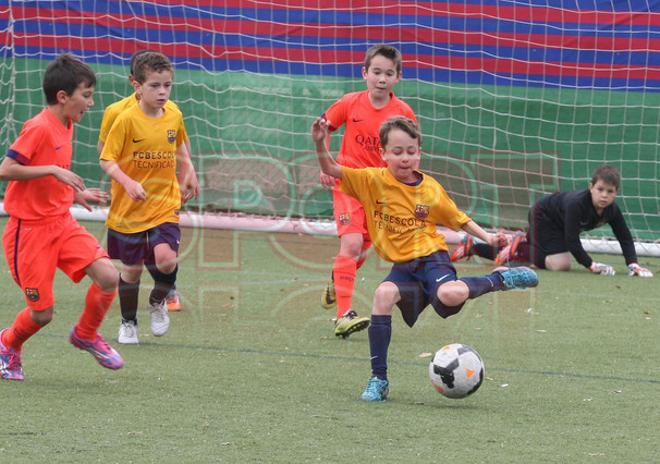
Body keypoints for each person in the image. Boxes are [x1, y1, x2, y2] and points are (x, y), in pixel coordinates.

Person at [311, 115, 539, 401]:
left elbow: (460, 220)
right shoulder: (370, 180)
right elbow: (331, 168)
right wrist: (320, 142)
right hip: (403, 269)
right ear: (383, 154)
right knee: (382, 295)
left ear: (419, 153)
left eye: (411, 151)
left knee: (449, 294)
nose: (405, 158)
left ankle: (501, 279)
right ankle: (378, 380)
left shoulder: (429, 189)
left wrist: (489, 238)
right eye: (397, 152)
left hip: (433, 260)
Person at [0, 54, 124, 381]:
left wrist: (75, 194)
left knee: (109, 277)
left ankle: (85, 334)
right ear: (63, 97)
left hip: (62, 223)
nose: (91, 102)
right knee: (42, 314)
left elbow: (51, 181)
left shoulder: (67, 124)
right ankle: (8, 344)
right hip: (29, 233)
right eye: (87, 94)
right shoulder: (39, 127)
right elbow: (7, 169)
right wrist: (54, 170)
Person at [317, 44, 417, 338]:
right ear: (365, 74)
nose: (381, 78)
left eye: (388, 73)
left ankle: (338, 279)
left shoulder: (403, 113)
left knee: (361, 250)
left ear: (398, 77)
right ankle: (343, 315)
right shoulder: (350, 102)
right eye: (376, 72)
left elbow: (408, 151)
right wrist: (326, 164)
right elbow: (324, 129)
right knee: (349, 245)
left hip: (381, 193)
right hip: (348, 183)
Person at [99, 51, 197, 344]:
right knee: (131, 269)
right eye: (155, 86)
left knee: (166, 260)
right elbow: (106, 158)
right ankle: (128, 322)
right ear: (136, 85)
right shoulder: (122, 117)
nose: (163, 92)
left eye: (167, 85)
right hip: (129, 208)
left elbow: (180, 145)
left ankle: (158, 301)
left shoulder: (174, 114)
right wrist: (127, 182)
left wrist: (189, 169)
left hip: (164, 203)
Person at [450, 165, 653, 278]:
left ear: (616, 193)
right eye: (600, 189)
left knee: (550, 260)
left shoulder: (612, 210)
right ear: (591, 187)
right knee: (559, 264)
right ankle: (514, 245)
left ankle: (479, 247)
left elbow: (625, 237)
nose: (604, 196)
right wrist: (591, 265)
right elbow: (572, 240)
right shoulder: (577, 204)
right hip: (543, 215)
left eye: (610, 192)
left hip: (558, 225)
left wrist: (632, 264)